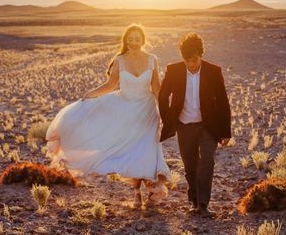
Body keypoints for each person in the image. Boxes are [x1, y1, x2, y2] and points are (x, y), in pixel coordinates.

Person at [46, 24, 170, 208]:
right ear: (125, 41)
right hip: (125, 110)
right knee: (130, 150)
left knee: (145, 150)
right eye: (130, 39)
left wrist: (166, 111)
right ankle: (137, 192)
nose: (134, 42)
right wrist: (90, 95)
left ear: (143, 40)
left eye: (137, 39)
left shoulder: (152, 59)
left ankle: (148, 189)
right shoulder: (120, 60)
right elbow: (110, 85)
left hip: (146, 111)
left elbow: (156, 88)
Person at [158, 33, 231, 218]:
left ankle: (204, 205)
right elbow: (163, 95)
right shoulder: (173, 70)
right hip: (184, 125)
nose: (191, 64)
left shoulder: (213, 71)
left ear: (201, 54)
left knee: (207, 162)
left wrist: (225, 131)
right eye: (187, 60)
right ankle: (195, 202)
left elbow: (223, 101)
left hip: (208, 126)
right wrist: (168, 119)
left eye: (194, 59)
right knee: (190, 165)